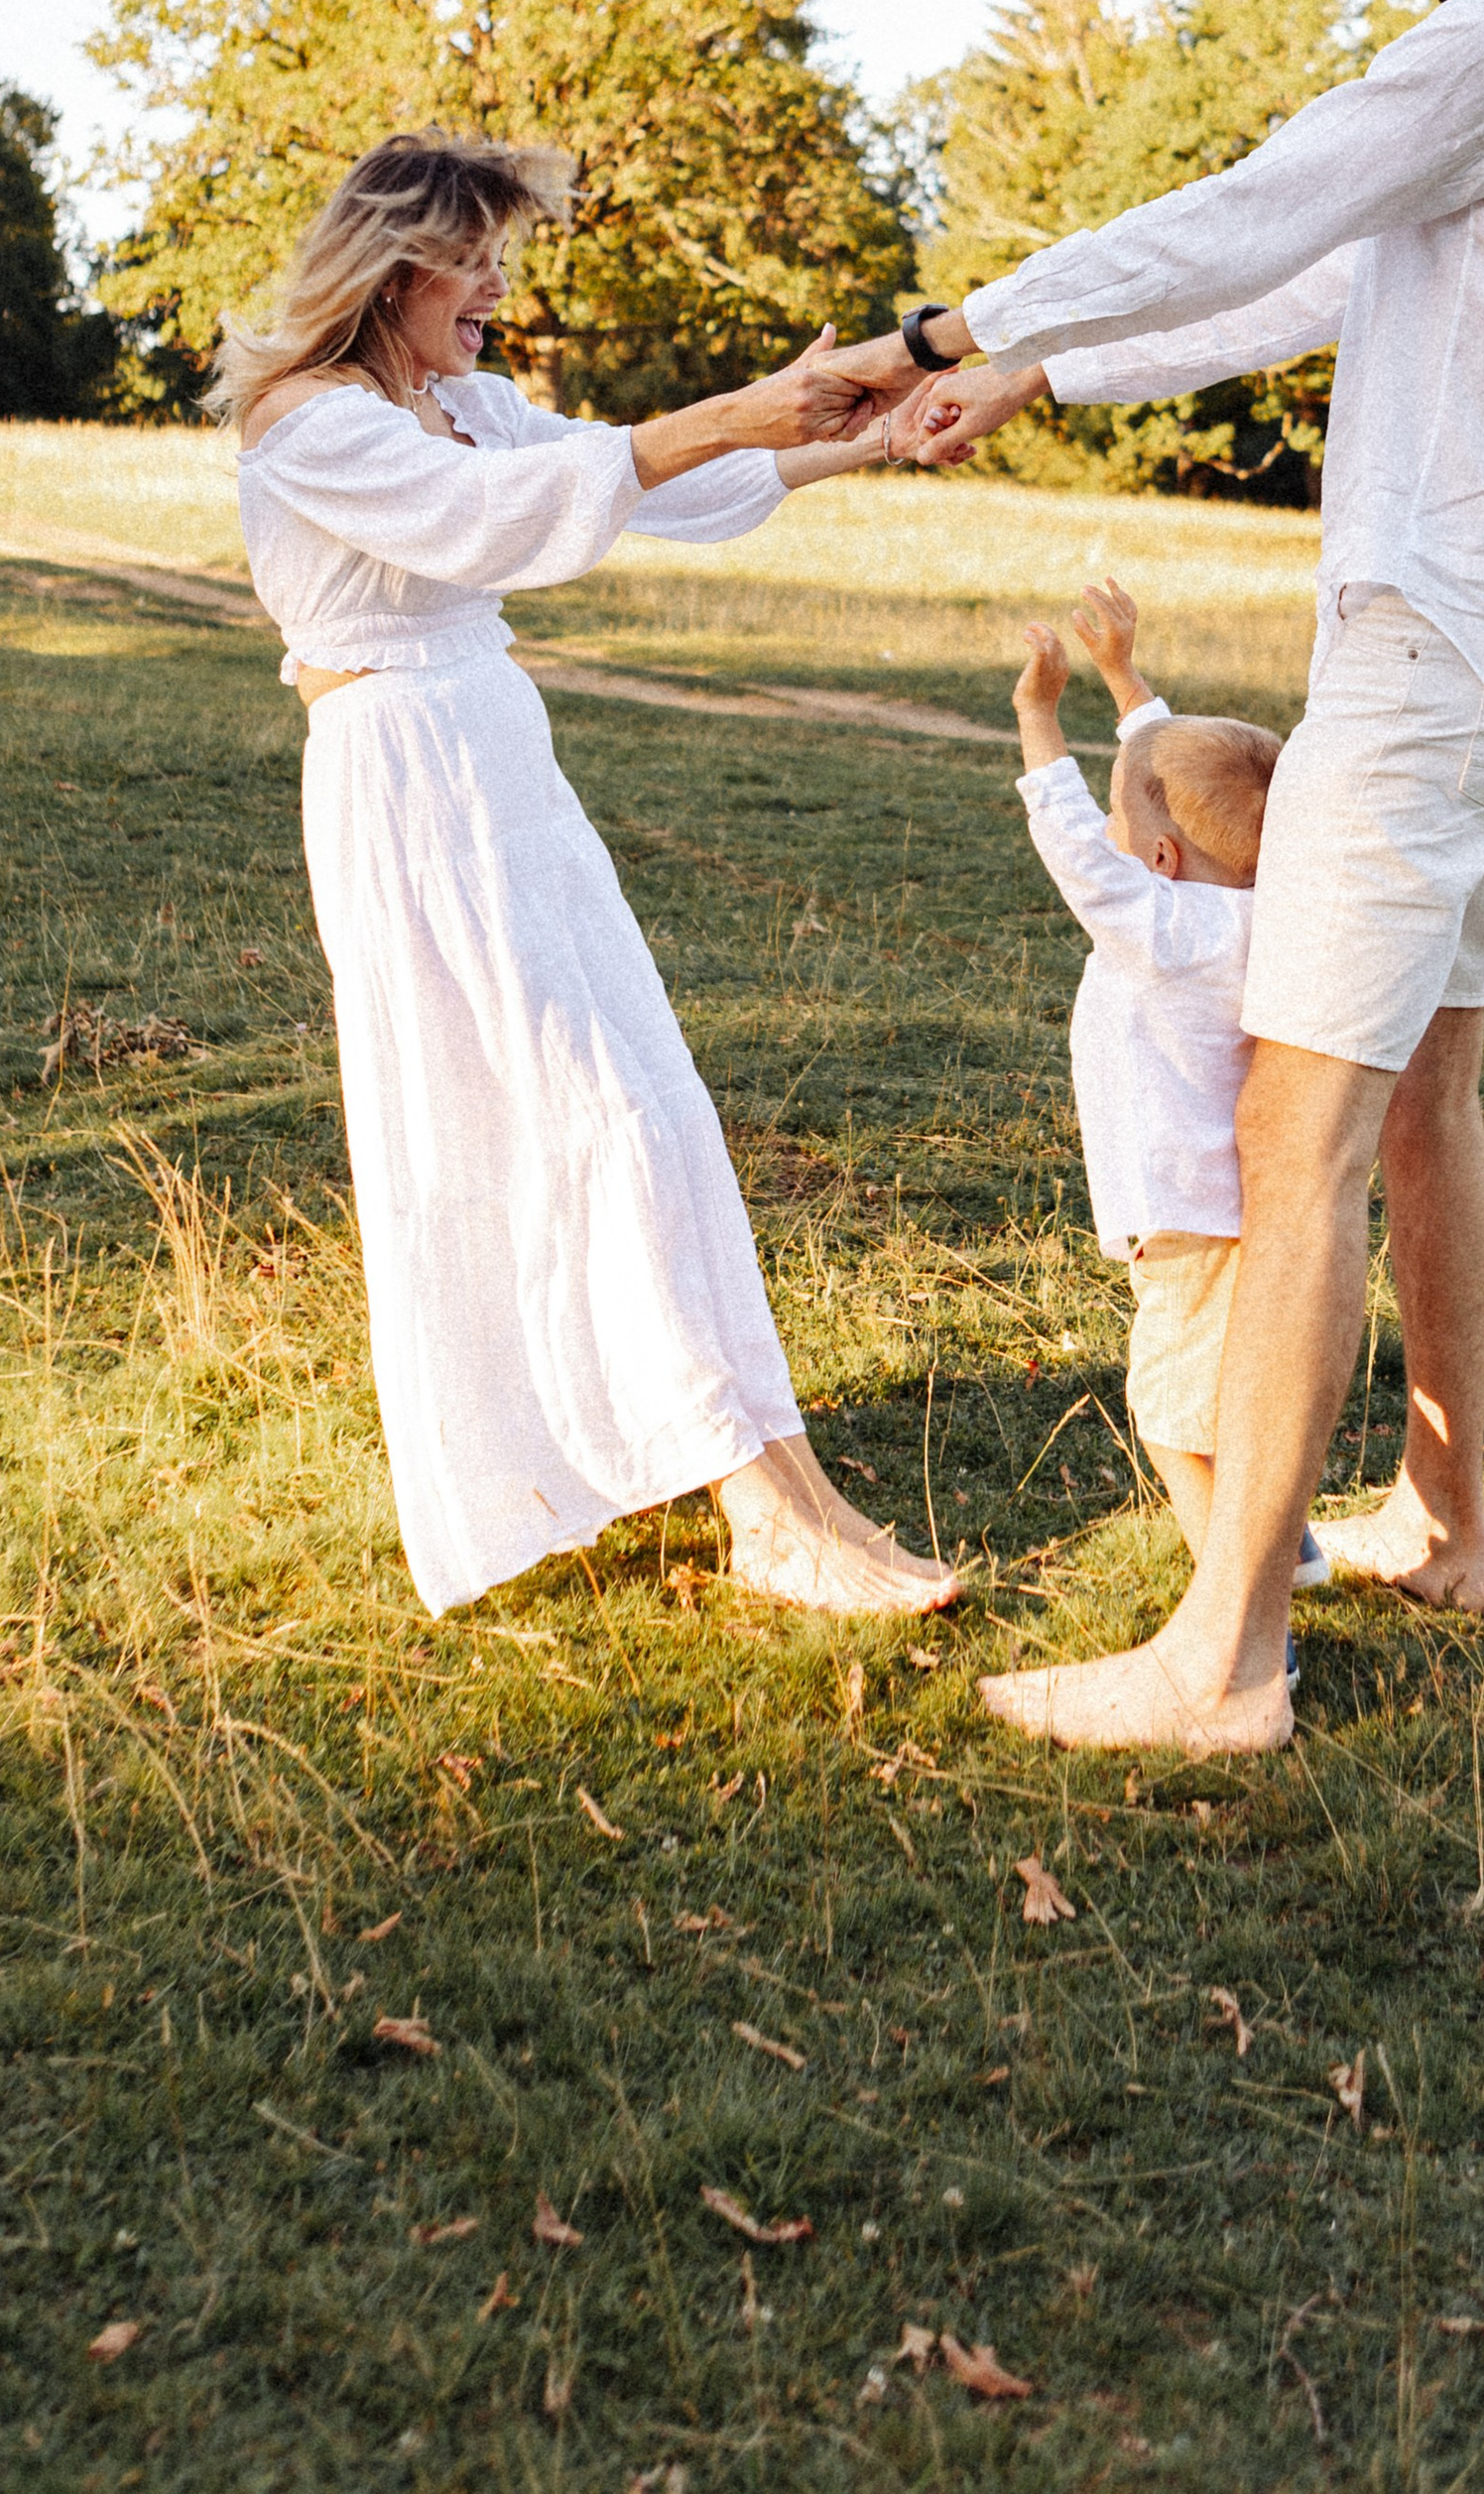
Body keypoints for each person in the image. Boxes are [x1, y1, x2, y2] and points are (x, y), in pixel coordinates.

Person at [828, 0, 1484, 1748]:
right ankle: (1446, 1529)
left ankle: (1221, 1662)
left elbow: (1251, 203)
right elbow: (1303, 280)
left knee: (1291, 1134)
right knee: (1424, 1096)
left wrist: (949, 327)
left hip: (1433, 658)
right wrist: (1041, 375)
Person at [220, 130, 958, 1623]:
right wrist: (734, 408)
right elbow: (503, 522)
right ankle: (760, 1508)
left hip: (502, 766)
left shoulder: (466, 404)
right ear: (398, 267)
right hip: (405, 784)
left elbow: (636, 485)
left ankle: (768, 1486)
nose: (497, 289)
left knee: (643, 1109)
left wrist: (862, 433)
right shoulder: (310, 425)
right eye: (475, 261)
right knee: (581, 1121)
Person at [1010, 578, 1325, 1646]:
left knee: (1169, 1412)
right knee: (1227, 1388)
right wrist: (1123, 679)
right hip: (1240, 1207)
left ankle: (1237, 1603)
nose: (1112, 832)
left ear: (1157, 862)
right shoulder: (1259, 909)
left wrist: (1040, 717)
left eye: (1126, 827)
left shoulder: (1162, 932)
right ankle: (1287, 1542)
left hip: (1184, 1217)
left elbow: (1076, 847)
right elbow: (1179, 784)